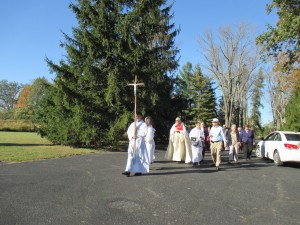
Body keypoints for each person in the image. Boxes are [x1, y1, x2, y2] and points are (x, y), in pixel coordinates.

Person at [122, 113, 149, 177]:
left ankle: (138, 171)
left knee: (138, 156)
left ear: (141, 116)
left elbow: (144, 133)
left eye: (138, 116)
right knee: (130, 155)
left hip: (139, 142)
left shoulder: (143, 124)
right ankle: (128, 170)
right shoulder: (132, 124)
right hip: (132, 142)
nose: (136, 117)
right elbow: (129, 131)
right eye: (135, 116)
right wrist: (132, 135)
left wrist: (136, 133)